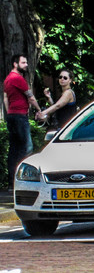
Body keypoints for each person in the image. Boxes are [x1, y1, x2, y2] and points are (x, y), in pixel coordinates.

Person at [3, 54, 42, 189]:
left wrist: (9, 113)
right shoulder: (18, 79)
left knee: (14, 150)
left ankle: (11, 183)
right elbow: (30, 97)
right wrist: (39, 110)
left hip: (12, 116)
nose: (26, 65)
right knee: (27, 148)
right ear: (15, 64)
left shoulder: (7, 79)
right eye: (23, 62)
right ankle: (24, 181)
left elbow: (6, 99)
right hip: (20, 116)